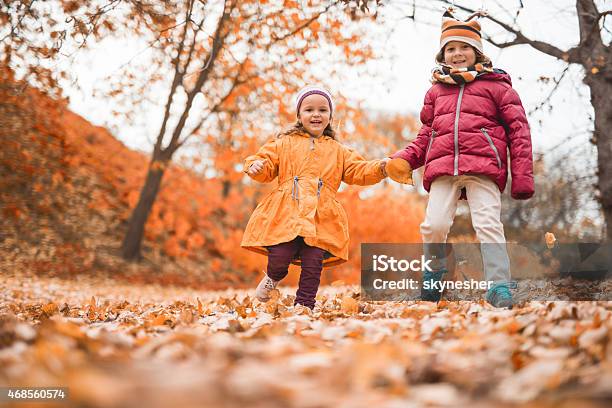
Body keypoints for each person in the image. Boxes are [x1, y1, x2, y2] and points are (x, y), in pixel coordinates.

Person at [388, 9, 534, 308]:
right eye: (451, 48)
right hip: (442, 168)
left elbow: (519, 130)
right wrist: (405, 159)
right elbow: (428, 134)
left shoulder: (497, 86)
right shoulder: (436, 91)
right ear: (443, 54)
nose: (457, 53)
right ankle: (433, 276)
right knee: (433, 225)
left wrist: (522, 176)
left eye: (464, 47)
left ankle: (498, 286)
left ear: (477, 51)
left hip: (483, 167)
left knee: (488, 224)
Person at [241, 85, 388, 311]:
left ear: (330, 116)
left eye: (322, 110)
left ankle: (305, 305)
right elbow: (266, 163)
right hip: (287, 211)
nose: (316, 114)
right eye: (309, 110)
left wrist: (382, 168)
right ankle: (273, 276)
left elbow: (359, 170)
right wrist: (256, 166)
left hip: (321, 217)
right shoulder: (284, 143)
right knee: (280, 255)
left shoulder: (338, 150)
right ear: (299, 116)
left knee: (313, 263)